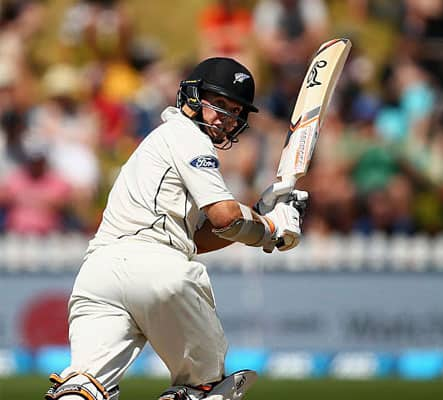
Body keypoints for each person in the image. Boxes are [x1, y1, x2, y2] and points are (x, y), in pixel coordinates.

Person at [44, 57, 307, 400]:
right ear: (193, 96)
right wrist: (271, 228)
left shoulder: (158, 142)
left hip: (97, 276)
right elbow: (226, 217)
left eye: (234, 110)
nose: (223, 116)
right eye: (218, 102)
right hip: (157, 269)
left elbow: (198, 237)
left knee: (83, 387)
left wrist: (258, 215)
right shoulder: (188, 137)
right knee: (205, 387)